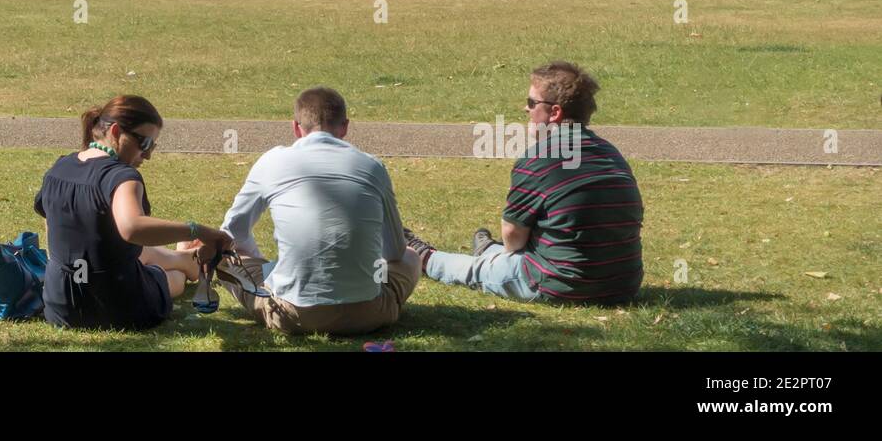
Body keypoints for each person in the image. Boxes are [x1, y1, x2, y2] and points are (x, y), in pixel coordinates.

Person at [406, 62, 643, 305]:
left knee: (480, 270)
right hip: (624, 283)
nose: (525, 108)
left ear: (555, 113)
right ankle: (487, 250)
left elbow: (513, 239)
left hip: (562, 285)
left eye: (531, 103)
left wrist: (506, 253)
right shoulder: (610, 153)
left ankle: (424, 256)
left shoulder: (539, 159)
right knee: (510, 256)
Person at [215, 87, 421, 335]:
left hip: (292, 314)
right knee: (411, 257)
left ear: (296, 127)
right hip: (369, 313)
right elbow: (395, 251)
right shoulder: (372, 166)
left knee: (224, 256)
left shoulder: (272, 161)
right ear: (344, 127)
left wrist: (261, 265)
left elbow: (231, 234)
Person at [34, 95, 229, 330]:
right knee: (164, 276)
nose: (148, 155)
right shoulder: (122, 177)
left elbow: (52, 228)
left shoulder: (60, 167)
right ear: (116, 131)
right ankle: (188, 266)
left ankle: (184, 258)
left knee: (130, 251)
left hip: (61, 306)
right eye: (144, 144)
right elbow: (133, 228)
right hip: (120, 309)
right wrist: (198, 230)